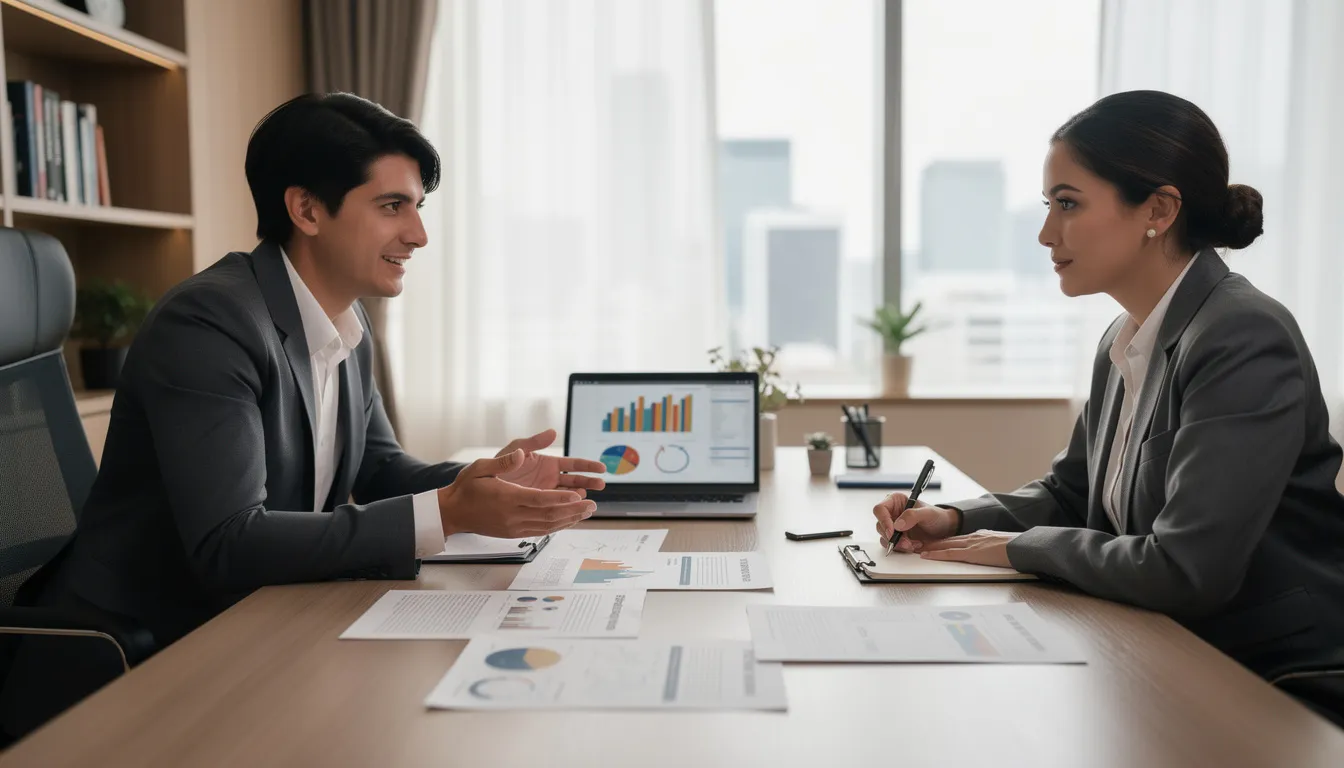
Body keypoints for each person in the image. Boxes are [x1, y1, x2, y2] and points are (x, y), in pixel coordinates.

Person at [0, 93, 607, 738]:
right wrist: (449, 513)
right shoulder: (210, 323)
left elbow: (377, 468)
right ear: (307, 209)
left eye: (418, 207)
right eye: (391, 206)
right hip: (138, 657)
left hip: (251, 624)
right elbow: (228, 542)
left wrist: (482, 482)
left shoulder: (344, 318)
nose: (419, 234)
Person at [872, 90, 1344, 727]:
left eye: (1067, 204)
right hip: (1163, 654)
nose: (1045, 233)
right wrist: (956, 518)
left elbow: (1186, 570)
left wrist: (1016, 547)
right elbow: (1073, 492)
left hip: (1271, 681)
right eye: (1048, 206)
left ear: (1158, 208)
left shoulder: (1242, 337)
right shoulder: (1125, 337)